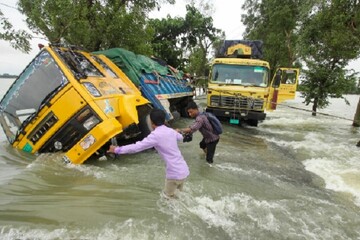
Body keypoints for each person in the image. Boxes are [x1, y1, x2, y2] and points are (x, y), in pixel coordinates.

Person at [107, 109, 189, 198]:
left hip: (174, 174)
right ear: (164, 120)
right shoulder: (171, 131)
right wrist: (176, 131)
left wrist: (117, 150)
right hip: (183, 170)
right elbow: (180, 137)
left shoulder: (155, 136)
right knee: (178, 197)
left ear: (152, 122)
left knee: (168, 199)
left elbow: (137, 147)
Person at [178, 101, 220, 166]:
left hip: (212, 139)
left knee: (209, 160)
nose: (190, 114)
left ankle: (209, 167)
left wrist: (179, 130)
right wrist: (188, 133)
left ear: (196, 109)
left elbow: (193, 128)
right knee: (202, 144)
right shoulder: (201, 114)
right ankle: (208, 153)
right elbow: (195, 128)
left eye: (191, 112)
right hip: (208, 137)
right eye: (188, 112)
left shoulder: (200, 118)